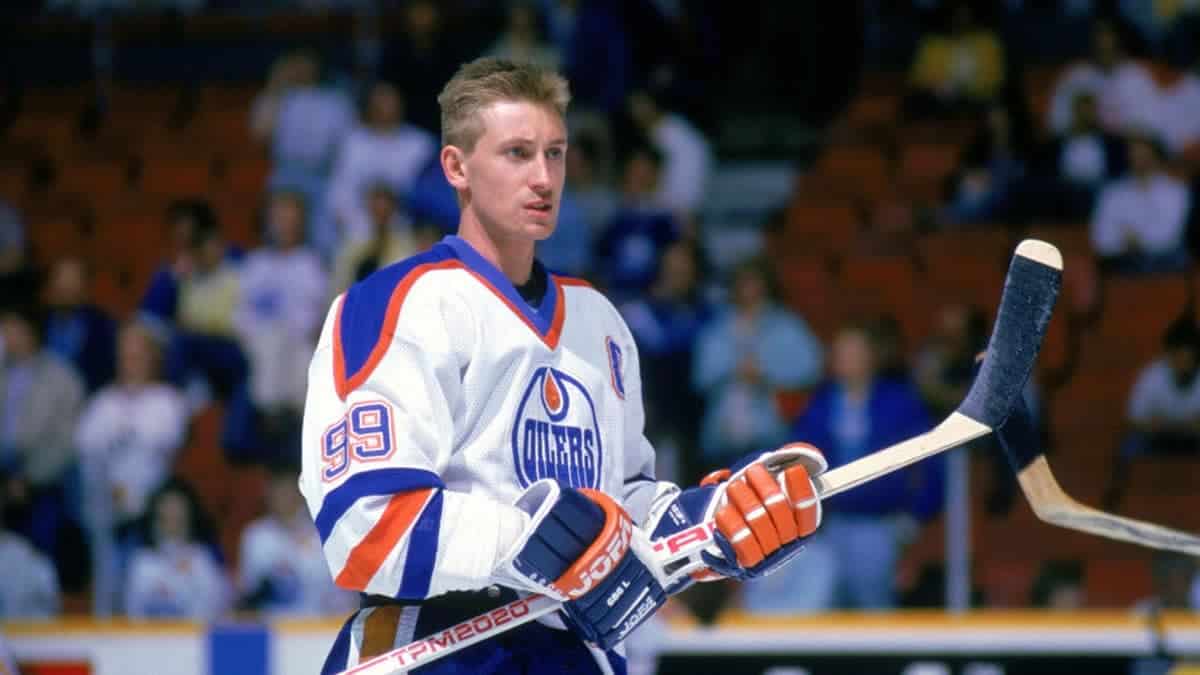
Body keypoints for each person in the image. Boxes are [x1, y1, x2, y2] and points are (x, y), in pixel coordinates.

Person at [303, 57, 828, 674]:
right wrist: (536, 542)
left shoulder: (599, 320)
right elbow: (364, 521)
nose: (544, 177)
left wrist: (710, 526)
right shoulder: (398, 303)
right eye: (517, 153)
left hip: (579, 655)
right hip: (437, 650)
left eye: (554, 153)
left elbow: (622, 509)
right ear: (456, 167)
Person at [790, 321, 942, 609]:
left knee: (875, 609)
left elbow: (929, 461)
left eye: (854, 350)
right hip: (829, 524)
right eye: (841, 351)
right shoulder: (821, 404)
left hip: (878, 527)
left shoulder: (899, 402)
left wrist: (915, 516)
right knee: (823, 608)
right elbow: (796, 457)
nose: (846, 358)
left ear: (871, 355)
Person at [75, 320, 188, 615]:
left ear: (153, 358)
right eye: (125, 354)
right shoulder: (103, 402)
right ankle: (104, 620)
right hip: (105, 510)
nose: (131, 361)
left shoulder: (167, 401)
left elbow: (160, 444)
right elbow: (87, 447)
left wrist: (121, 437)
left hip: (148, 507)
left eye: (138, 354)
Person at [693, 258, 824, 468]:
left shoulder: (786, 325)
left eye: (754, 281)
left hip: (769, 436)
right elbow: (700, 377)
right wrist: (733, 371)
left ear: (765, 284)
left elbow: (810, 368)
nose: (748, 289)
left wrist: (766, 374)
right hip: (721, 438)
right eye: (743, 282)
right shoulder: (717, 327)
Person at [325, 80, 437, 248]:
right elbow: (340, 196)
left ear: (401, 104)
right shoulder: (354, 143)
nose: (385, 107)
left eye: (390, 101)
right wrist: (361, 229)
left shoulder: (420, 145)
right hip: (359, 231)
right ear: (370, 106)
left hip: (407, 231)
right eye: (380, 102)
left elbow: (430, 199)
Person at [239, 466, 354, 616]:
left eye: (289, 490)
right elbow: (248, 593)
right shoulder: (256, 536)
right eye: (278, 490)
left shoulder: (323, 533)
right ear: (268, 493)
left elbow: (342, 595)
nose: (284, 497)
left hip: (317, 627)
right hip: (271, 628)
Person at [124, 479, 230, 620]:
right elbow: (133, 612)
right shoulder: (142, 563)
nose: (172, 516)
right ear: (156, 515)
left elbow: (217, 608)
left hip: (191, 637)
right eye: (167, 511)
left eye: (177, 510)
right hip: (149, 638)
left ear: (188, 515)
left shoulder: (202, 559)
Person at [1090, 133, 1192, 275]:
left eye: (1143, 152)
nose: (1137, 157)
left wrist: (1136, 240)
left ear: (1156, 155)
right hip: (1120, 264)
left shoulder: (1177, 191)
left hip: (1163, 264)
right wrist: (1129, 243)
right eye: (1133, 151)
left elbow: (1169, 238)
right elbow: (1101, 239)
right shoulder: (1112, 193)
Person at [42, 257, 117, 394]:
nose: (66, 287)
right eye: (61, 279)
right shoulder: (38, 322)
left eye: (72, 281)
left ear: (84, 286)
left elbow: (105, 374)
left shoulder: (100, 325)